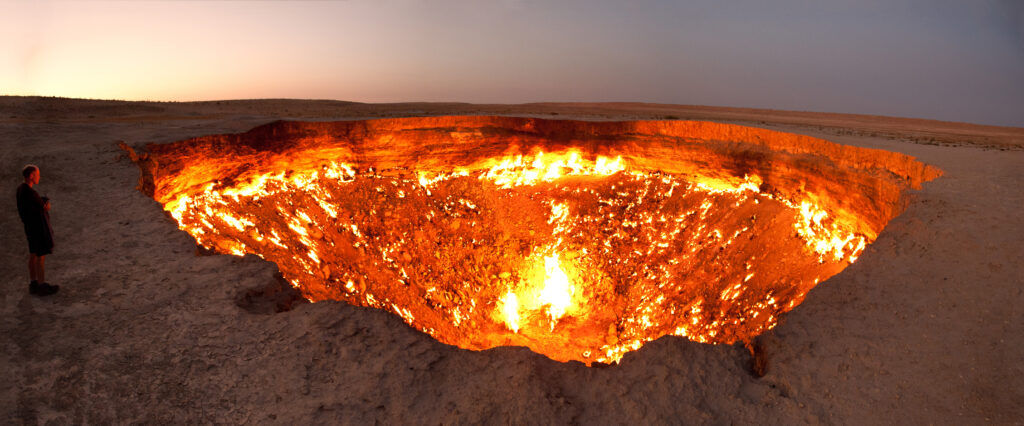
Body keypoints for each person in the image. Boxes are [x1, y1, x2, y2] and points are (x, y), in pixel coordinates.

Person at [16, 165, 58, 296]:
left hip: (29, 228)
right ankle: (41, 285)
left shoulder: (20, 189)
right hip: (37, 229)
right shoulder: (31, 193)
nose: (39, 176)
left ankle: (33, 283)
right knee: (40, 257)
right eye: (37, 174)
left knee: (33, 255)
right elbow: (42, 208)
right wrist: (46, 206)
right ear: (31, 176)